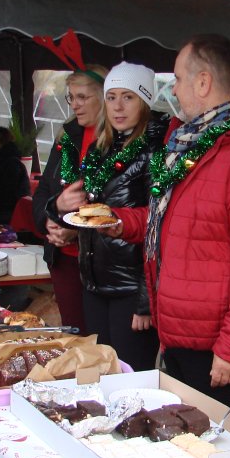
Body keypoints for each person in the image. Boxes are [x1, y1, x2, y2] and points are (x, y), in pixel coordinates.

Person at [113, 34, 230, 406]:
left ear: (203, 82)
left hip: (214, 346)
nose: (174, 89)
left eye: (178, 79)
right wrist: (119, 222)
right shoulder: (194, 141)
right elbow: (177, 222)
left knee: (212, 441)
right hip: (180, 334)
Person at [52, 62, 167, 370]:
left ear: (144, 101)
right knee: (101, 372)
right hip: (95, 283)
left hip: (130, 290)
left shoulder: (155, 151)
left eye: (128, 97)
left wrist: (145, 301)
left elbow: (159, 225)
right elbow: (93, 211)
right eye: (111, 97)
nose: (117, 107)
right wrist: (64, 215)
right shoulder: (100, 148)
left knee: (130, 376)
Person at [33, 64, 108, 331]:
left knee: (99, 339)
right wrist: (49, 219)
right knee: (74, 333)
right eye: (71, 97)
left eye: (82, 97)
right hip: (63, 258)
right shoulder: (66, 136)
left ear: (104, 97)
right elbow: (44, 191)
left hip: (100, 261)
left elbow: (119, 205)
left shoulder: (117, 141)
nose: (74, 105)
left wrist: (76, 229)